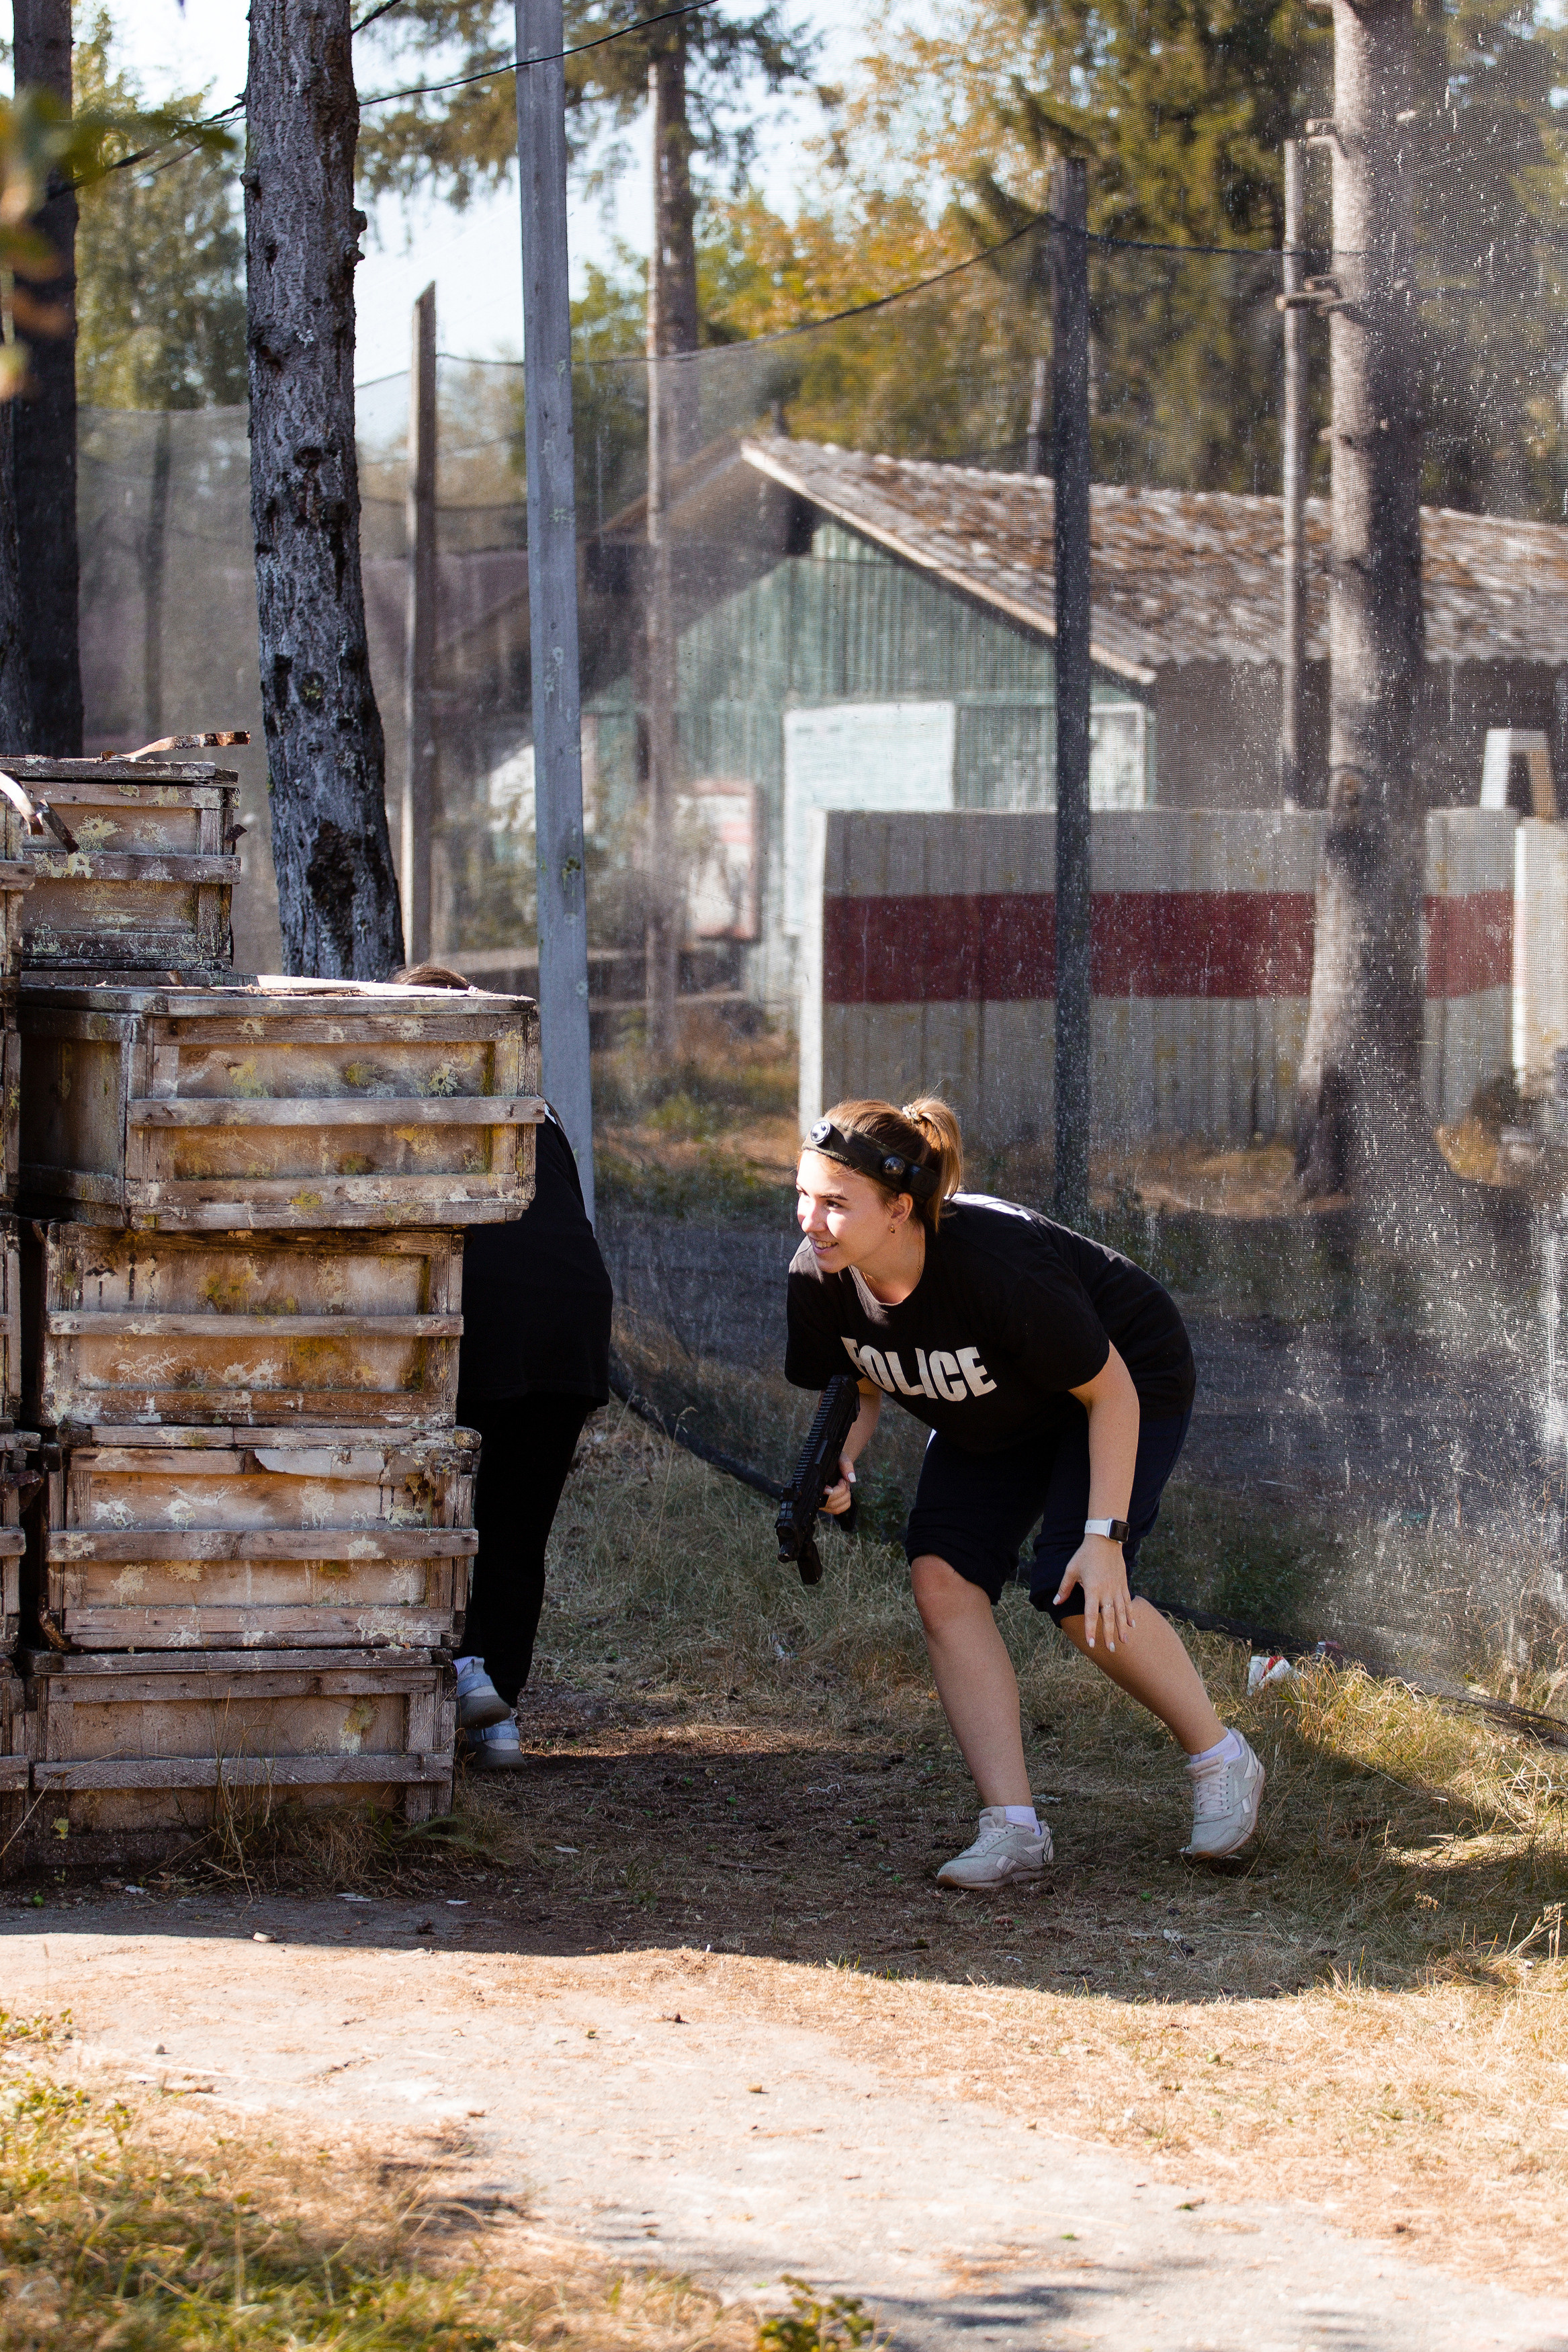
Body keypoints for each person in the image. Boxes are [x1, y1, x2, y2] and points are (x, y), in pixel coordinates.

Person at [785, 1095, 1262, 1885]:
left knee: (1077, 1589)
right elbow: (859, 1376)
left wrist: (1104, 1538)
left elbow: (1109, 1391)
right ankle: (1012, 1829)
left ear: (900, 1209)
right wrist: (842, 1462)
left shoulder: (996, 1264)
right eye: (802, 1194)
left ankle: (1222, 1758)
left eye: (836, 1203)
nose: (810, 1219)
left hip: (1119, 1377)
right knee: (940, 1576)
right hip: (1000, 1401)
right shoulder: (819, 1275)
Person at [396, 964, 614, 1769]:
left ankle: (465, 1669)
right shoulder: (538, 1106)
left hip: (481, 1307)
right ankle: (501, 1724)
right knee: (519, 1528)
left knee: (443, 1508)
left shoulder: (407, 1096)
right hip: (575, 1314)